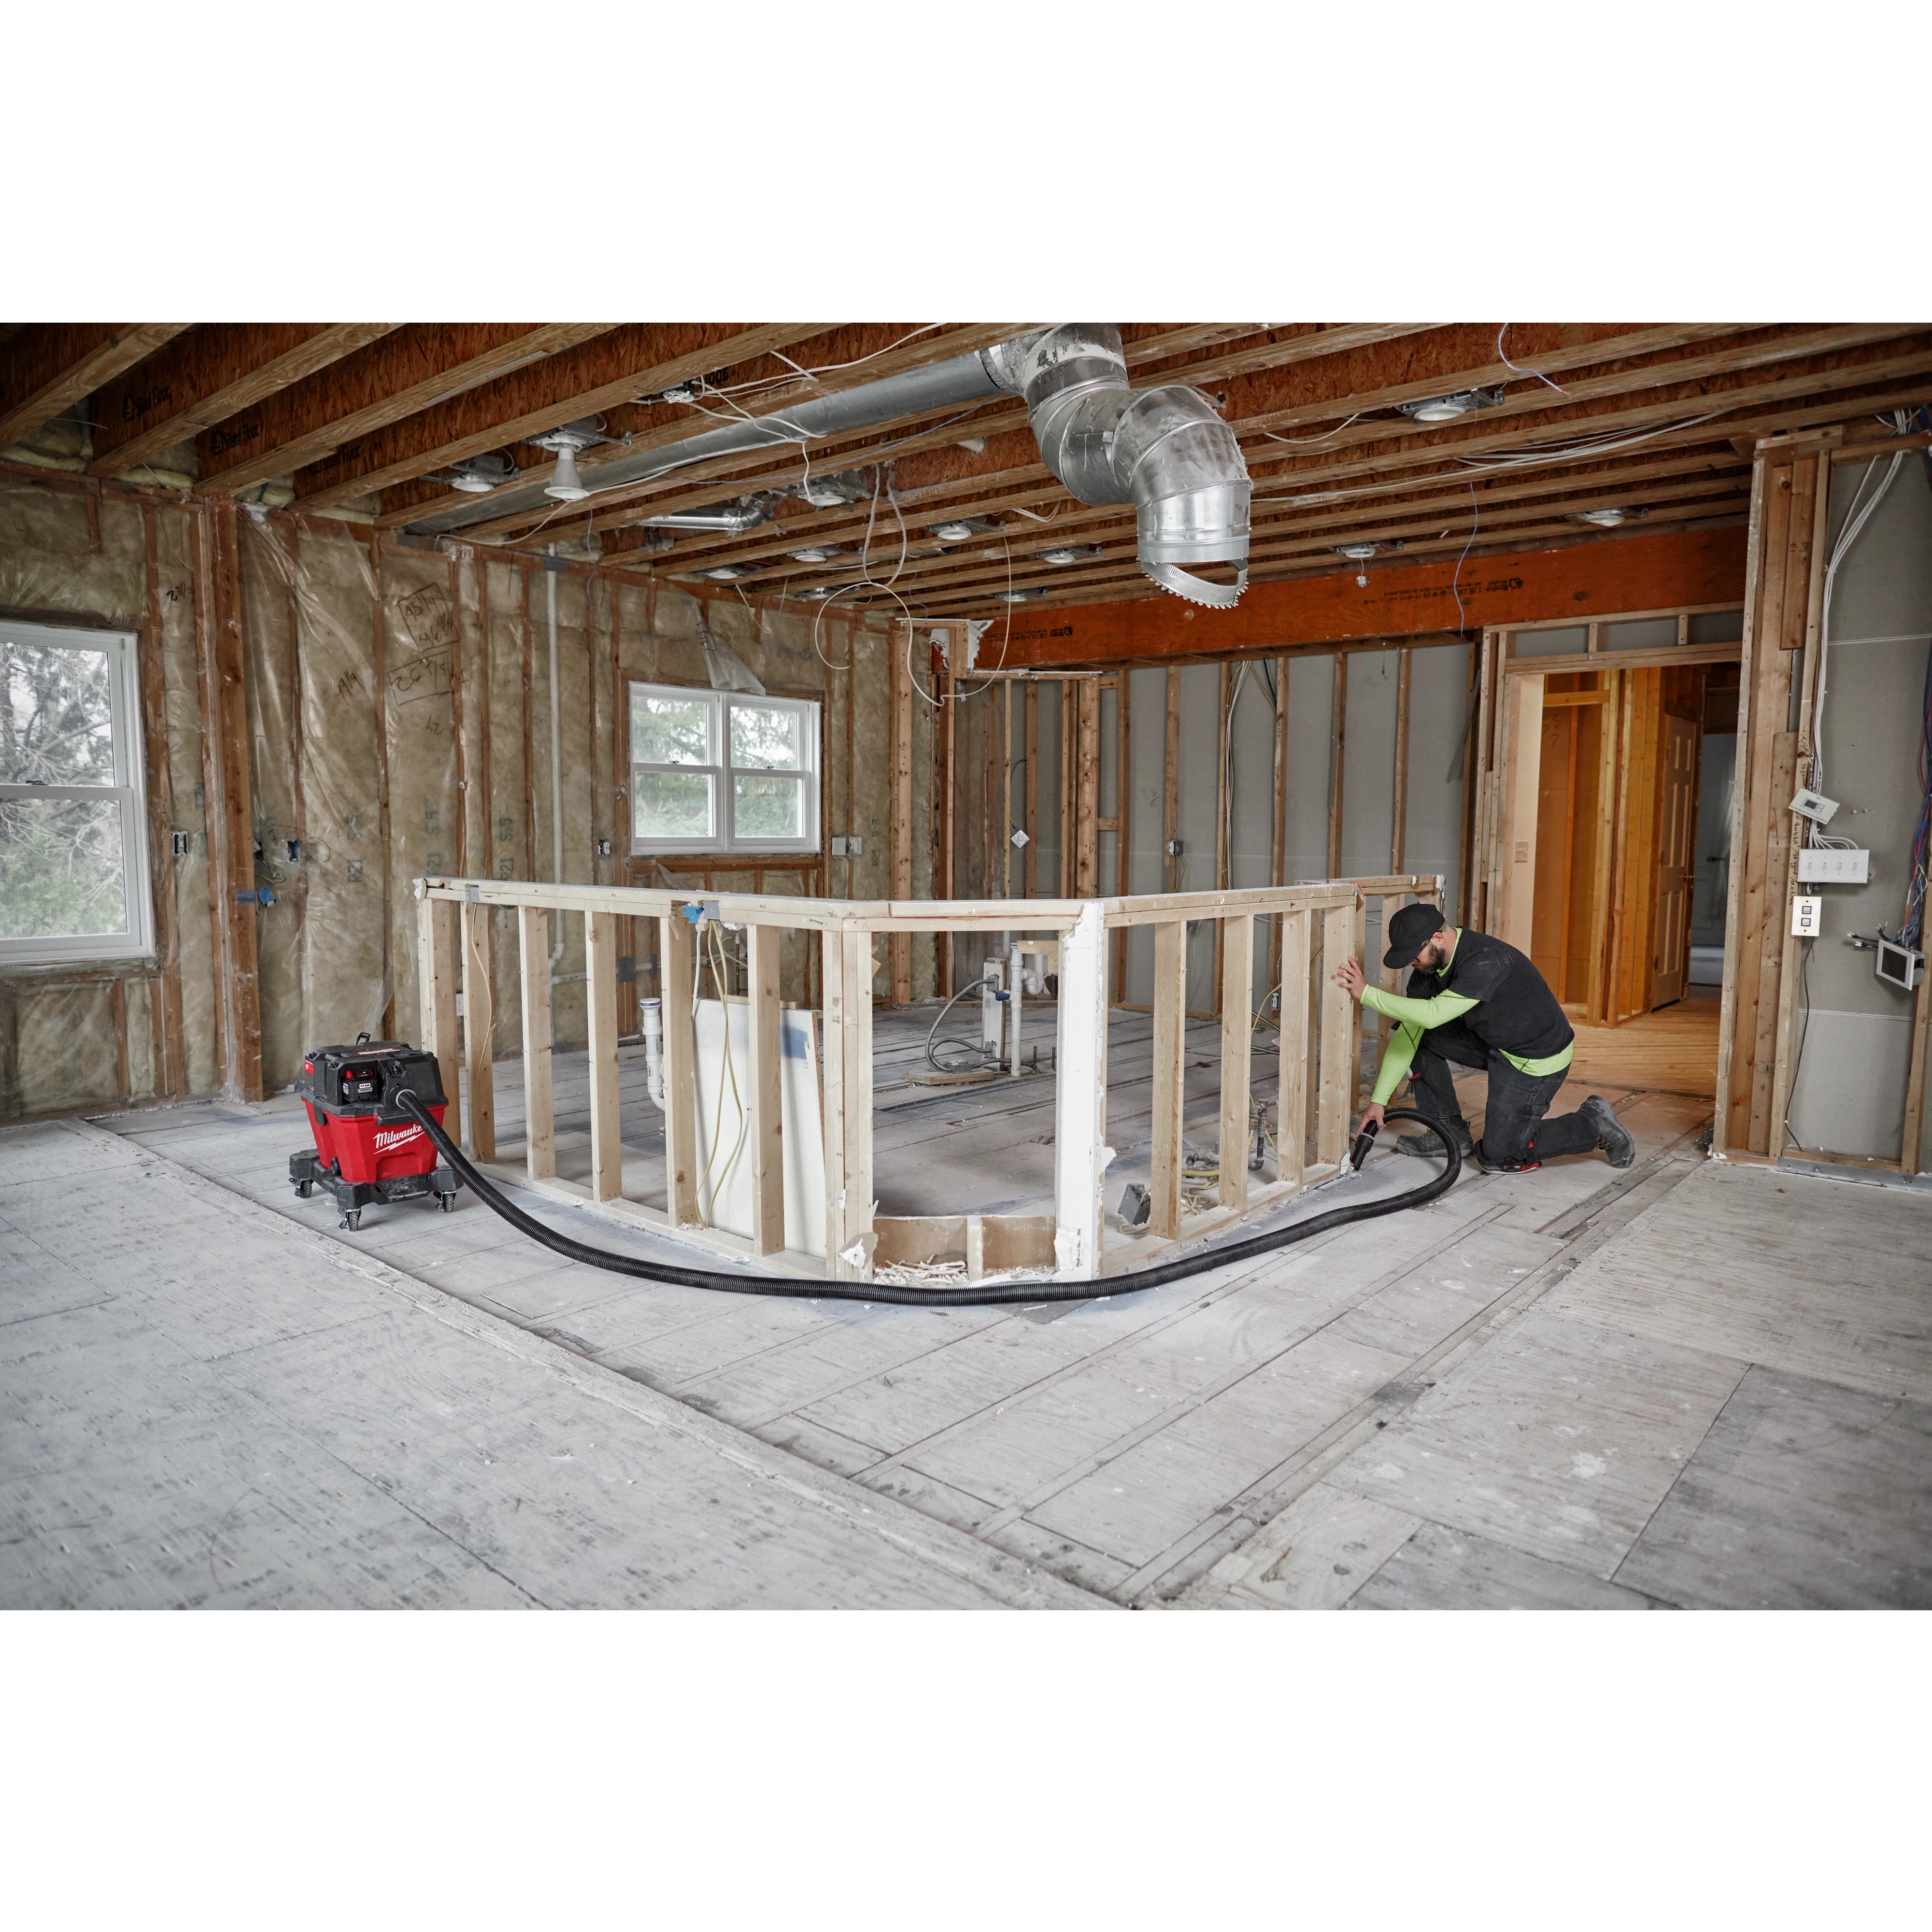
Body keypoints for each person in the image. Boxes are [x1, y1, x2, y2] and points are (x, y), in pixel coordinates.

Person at [1334, 901, 1634, 1174]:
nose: (1412, 962)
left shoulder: (1486, 960)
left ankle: (1593, 1124)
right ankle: (1447, 1131)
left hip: (1534, 1059)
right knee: (1416, 1029)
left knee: (1498, 1158)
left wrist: (1366, 994)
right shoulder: (1429, 969)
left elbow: (1433, 1014)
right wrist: (1379, 1101)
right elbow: (1412, 1032)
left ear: (1438, 937)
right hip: (1494, 1041)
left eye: (1415, 954)